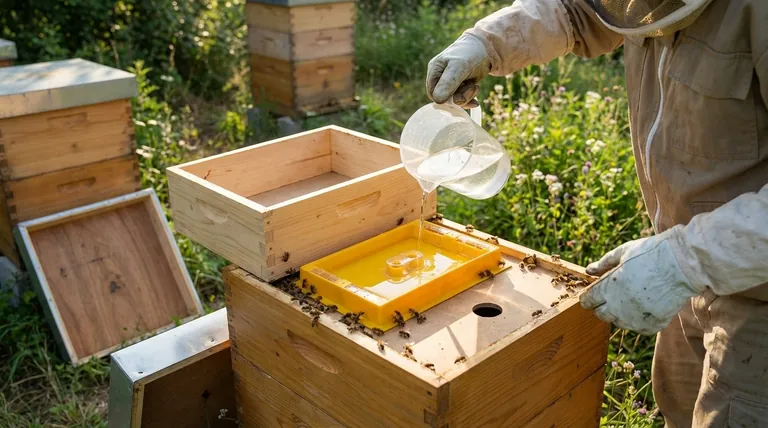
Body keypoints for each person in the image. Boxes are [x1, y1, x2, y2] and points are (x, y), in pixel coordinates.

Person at [426, 0, 768, 426]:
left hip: (755, 295)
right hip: (679, 267)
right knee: (678, 408)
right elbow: (577, 10)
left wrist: (687, 258)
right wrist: (486, 41)